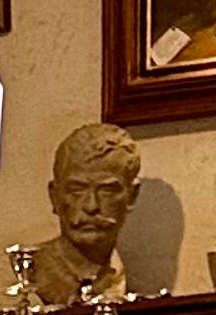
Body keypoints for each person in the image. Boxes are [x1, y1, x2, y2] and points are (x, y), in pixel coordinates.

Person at [33, 120, 142, 303]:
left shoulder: (127, 278)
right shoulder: (30, 273)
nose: (91, 206)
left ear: (131, 196)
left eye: (107, 191)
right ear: (54, 197)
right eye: (77, 190)